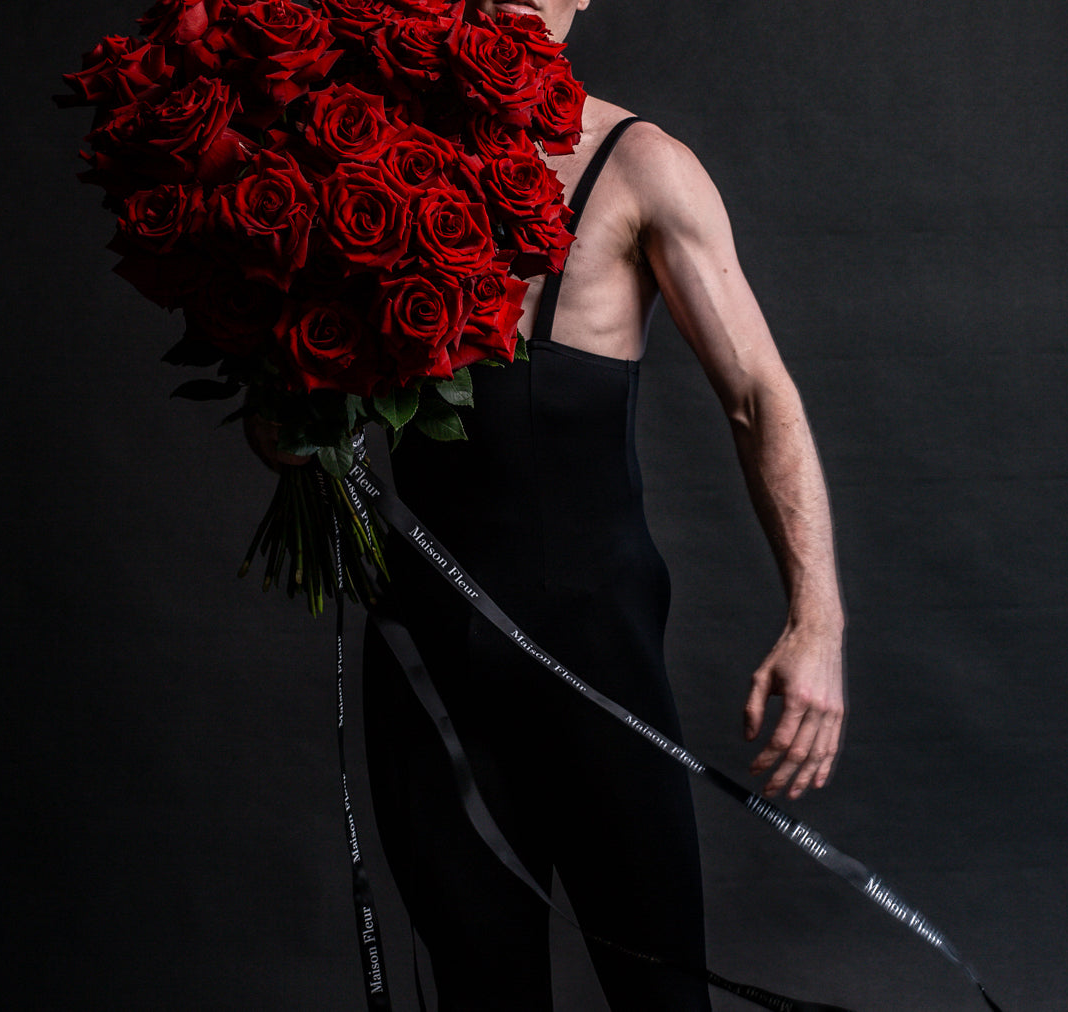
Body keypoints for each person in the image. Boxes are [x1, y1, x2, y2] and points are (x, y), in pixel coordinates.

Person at [246, 1, 846, 1008]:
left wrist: (814, 622)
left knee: (660, 990)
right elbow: (287, 435)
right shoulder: (366, 168)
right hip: (431, 674)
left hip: (598, 666)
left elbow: (757, 396)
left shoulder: (642, 165)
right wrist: (285, 397)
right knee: (479, 990)